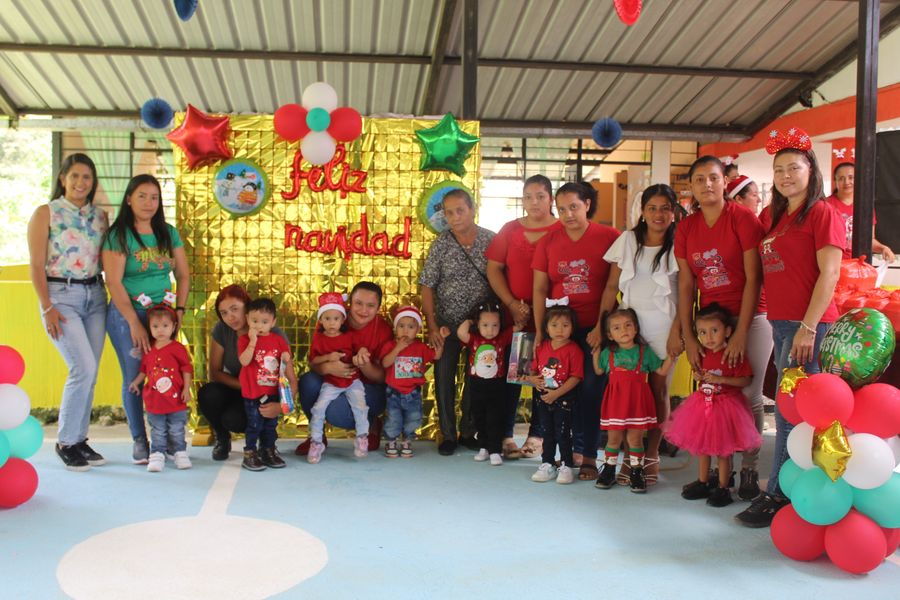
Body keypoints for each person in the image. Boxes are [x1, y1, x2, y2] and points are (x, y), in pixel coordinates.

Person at [736, 128, 843, 527]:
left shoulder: (822, 213)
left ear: (811, 170)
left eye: (794, 168)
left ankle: (780, 495)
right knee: (788, 411)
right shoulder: (775, 216)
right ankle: (791, 491)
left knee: (793, 414)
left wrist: (808, 327)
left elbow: (830, 274)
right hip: (782, 324)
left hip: (808, 328)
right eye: (779, 170)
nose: (785, 176)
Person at [675, 156, 768, 499]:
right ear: (692, 187)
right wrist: (689, 336)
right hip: (710, 324)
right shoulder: (687, 228)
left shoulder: (742, 218)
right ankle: (716, 471)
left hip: (751, 317)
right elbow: (686, 284)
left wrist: (741, 331)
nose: (707, 185)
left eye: (713, 178)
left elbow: (754, 278)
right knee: (710, 394)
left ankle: (749, 468)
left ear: (724, 182)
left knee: (748, 394)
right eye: (699, 179)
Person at [532, 182, 620, 480]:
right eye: (562, 209)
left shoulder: (609, 237)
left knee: (591, 391)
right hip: (559, 333)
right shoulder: (548, 241)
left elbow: (612, 285)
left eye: (574, 207)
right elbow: (540, 288)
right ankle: (564, 455)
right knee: (559, 393)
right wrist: (540, 331)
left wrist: (601, 327)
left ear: (587, 205)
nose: (568, 214)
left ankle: (589, 455)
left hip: (595, 330)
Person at [27, 153, 108, 471]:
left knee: (91, 371)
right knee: (82, 367)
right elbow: (36, 264)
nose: (80, 182)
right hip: (61, 297)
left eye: (87, 177)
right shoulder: (45, 213)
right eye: (74, 176)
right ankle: (65, 442)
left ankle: (79, 439)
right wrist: (47, 306)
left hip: (95, 296)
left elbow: (107, 259)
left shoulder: (100, 216)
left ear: (93, 182)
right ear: (63, 178)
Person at [102, 174, 190, 465]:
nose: (149, 203)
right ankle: (140, 440)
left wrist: (179, 311)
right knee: (135, 378)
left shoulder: (168, 232)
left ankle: (168, 440)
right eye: (142, 196)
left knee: (167, 374)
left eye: (154, 197)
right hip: (129, 315)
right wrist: (133, 322)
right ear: (129, 199)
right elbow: (114, 282)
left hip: (163, 316)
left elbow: (183, 275)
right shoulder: (118, 235)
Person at [599, 184, 680, 486]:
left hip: (663, 326)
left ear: (674, 212)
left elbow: (686, 292)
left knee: (658, 392)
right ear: (642, 212)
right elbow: (611, 287)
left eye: (665, 208)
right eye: (652, 208)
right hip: (627, 325)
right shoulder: (628, 240)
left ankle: (651, 456)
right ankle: (628, 458)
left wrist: (678, 331)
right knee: (625, 394)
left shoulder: (680, 243)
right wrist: (600, 325)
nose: (659, 214)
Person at [486, 174, 561, 458]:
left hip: (552, 318)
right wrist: (510, 303)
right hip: (515, 317)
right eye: (528, 197)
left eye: (540, 196)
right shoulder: (510, 229)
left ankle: (537, 435)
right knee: (513, 376)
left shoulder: (561, 229)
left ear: (550, 199)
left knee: (546, 374)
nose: (534, 202)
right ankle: (506, 434)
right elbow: (494, 269)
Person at [420, 189, 496, 456]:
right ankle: (448, 435)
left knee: (477, 377)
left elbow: (500, 278)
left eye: (460, 210)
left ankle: (468, 431)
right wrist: (432, 326)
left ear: (472, 209)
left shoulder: (491, 240)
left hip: (480, 327)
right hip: (446, 324)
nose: (455, 217)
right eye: (449, 213)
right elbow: (427, 285)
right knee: (444, 378)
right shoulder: (441, 243)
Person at [667, 304, 760, 508]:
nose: (708, 337)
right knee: (702, 448)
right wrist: (699, 376)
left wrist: (722, 379)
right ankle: (703, 481)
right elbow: (701, 375)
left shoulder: (733, 354)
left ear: (727, 331)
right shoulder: (701, 353)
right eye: (702, 332)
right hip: (702, 407)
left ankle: (723, 487)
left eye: (714, 330)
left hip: (726, 408)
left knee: (723, 451)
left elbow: (746, 380)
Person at [295, 281, 392, 456]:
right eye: (358, 303)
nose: (363, 310)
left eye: (370, 305)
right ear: (350, 303)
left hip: (368, 388)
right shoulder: (332, 317)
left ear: (378, 308)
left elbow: (382, 378)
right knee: (308, 381)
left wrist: (365, 365)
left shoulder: (383, 330)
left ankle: (372, 424)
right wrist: (328, 368)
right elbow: (313, 364)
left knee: (335, 412)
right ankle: (317, 438)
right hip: (333, 381)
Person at [197, 284, 290, 460]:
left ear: (247, 308)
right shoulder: (222, 329)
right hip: (238, 387)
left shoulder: (274, 335)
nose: (230, 317)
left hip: (264, 393)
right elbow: (215, 372)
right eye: (224, 313)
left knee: (235, 419)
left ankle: (266, 442)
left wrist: (281, 405)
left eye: (234, 309)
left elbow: (289, 377)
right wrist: (246, 385)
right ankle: (222, 438)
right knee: (208, 393)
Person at [592, 309, 673, 493]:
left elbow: (661, 370)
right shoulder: (608, 353)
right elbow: (598, 371)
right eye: (617, 328)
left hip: (637, 403)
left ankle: (637, 472)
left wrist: (672, 357)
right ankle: (609, 471)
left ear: (636, 329)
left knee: (635, 439)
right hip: (616, 403)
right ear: (610, 335)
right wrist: (595, 354)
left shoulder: (645, 352)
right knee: (613, 439)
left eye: (628, 325)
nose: (623, 330)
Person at [128, 304, 193, 472]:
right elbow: (144, 370)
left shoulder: (178, 348)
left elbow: (186, 369)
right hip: (155, 402)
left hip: (176, 400)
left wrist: (186, 389)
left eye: (165, 325)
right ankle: (157, 455)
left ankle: (179, 453)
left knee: (177, 428)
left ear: (173, 326)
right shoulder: (148, 349)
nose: (160, 330)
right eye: (155, 326)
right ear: (149, 328)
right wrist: (136, 382)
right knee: (158, 430)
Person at [306, 293, 369, 464]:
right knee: (318, 408)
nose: (332, 323)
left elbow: (360, 348)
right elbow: (313, 361)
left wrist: (362, 352)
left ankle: (362, 437)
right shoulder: (319, 338)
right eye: (327, 318)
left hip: (352, 380)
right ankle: (316, 442)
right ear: (321, 320)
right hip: (331, 382)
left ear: (342, 320)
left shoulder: (349, 336)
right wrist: (328, 357)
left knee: (360, 407)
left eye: (336, 318)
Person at [526, 300, 583, 484]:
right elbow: (533, 371)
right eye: (554, 325)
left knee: (563, 433)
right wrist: (533, 379)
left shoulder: (574, 350)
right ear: (546, 328)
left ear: (572, 327)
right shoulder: (542, 347)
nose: (560, 330)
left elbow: (576, 377)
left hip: (563, 399)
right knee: (547, 432)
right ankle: (547, 463)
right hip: (543, 398)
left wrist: (556, 394)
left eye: (565, 325)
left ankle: (566, 465)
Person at [237, 298, 297, 471]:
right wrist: (252, 342)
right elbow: (244, 361)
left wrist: (286, 357)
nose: (259, 326)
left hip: (272, 392)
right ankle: (250, 453)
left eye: (264, 322)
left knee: (270, 426)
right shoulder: (244, 340)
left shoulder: (278, 340)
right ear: (247, 319)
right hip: (253, 393)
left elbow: (286, 360)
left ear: (273, 322)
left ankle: (267, 450)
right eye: (255, 321)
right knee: (254, 424)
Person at [380, 306, 444, 458]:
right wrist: (397, 349)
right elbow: (385, 363)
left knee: (413, 418)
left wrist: (441, 340)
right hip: (394, 392)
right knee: (393, 418)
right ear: (395, 328)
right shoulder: (390, 346)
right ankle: (391, 441)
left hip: (413, 393)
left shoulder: (420, 347)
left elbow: (436, 356)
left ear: (418, 330)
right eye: (401, 326)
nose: (405, 330)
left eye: (411, 327)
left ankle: (407, 441)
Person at [457, 302, 515, 466]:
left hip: (496, 386)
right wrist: (470, 321)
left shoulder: (502, 338)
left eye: (495, 325)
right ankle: (484, 446)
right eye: (485, 325)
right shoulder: (474, 339)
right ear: (478, 325)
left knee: (494, 418)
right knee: (479, 417)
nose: (490, 330)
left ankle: (495, 449)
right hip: (477, 385)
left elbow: (517, 327)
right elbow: (461, 333)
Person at [825, 162, 895, 262]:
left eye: (851, 177)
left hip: (859, 264)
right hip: (832, 264)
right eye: (841, 178)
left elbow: (869, 241)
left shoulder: (865, 207)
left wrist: (883, 248)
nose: (846, 182)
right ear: (835, 181)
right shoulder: (825, 205)